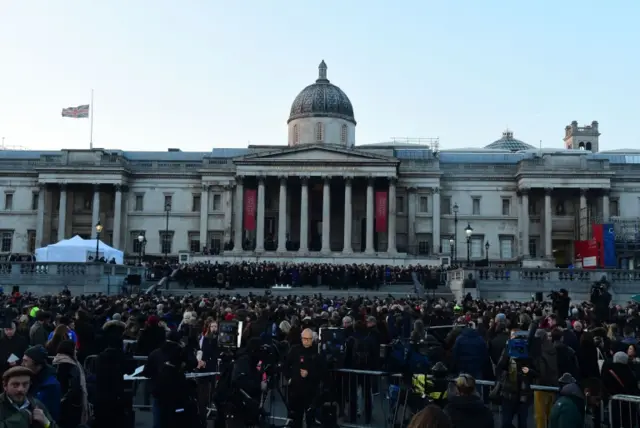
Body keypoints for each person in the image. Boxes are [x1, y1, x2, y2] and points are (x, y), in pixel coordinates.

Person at [284, 328, 326, 428]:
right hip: (296, 390)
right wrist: (289, 378)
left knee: (310, 419)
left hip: (310, 391)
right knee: (296, 419)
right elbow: (285, 365)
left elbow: (322, 372)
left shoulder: (317, 352)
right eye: (304, 338)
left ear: (312, 339)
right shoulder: (295, 350)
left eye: (308, 339)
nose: (306, 341)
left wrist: (309, 374)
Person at [52, 340, 89, 428]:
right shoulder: (71, 365)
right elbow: (74, 386)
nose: (76, 351)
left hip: (60, 401)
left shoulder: (56, 362)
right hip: (71, 405)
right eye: (75, 349)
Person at [21, 345, 61, 422]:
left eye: (26, 361)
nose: (22, 364)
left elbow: (51, 415)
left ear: (37, 364)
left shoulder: (50, 385)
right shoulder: (29, 378)